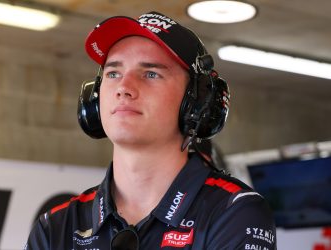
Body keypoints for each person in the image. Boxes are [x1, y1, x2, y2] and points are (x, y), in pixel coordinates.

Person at [25, 11, 276, 250]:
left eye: (151, 74)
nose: (124, 87)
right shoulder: (56, 226)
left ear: (196, 102)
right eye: (113, 73)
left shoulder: (234, 211)